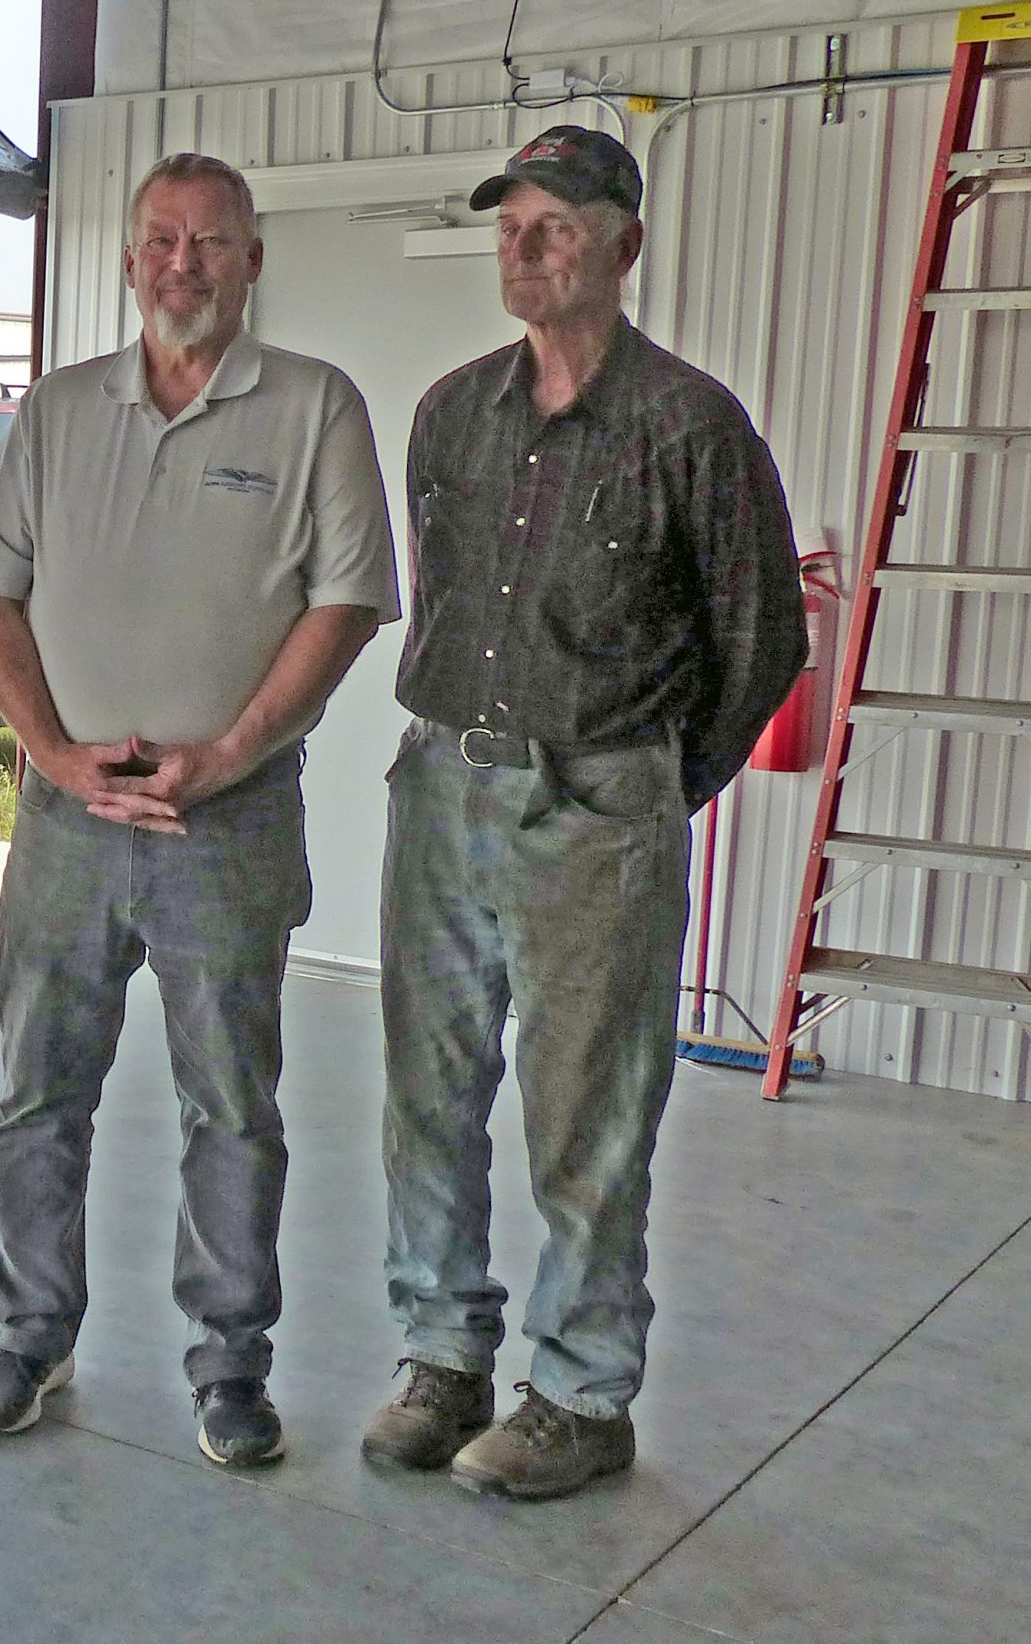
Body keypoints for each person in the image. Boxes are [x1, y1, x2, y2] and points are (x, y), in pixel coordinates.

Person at [365, 125, 804, 1500]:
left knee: (587, 1112)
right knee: (429, 1093)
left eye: (556, 224)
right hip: (445, 782)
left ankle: (580, 1393)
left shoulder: (691, 424)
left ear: (625, 243)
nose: (525, 245)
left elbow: (762, 639)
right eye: (511, 223)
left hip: (600, 798)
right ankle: (443, 1358)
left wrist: (649, 786)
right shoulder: (451, 413)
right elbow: (444, 599)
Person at [0, 153, 399, 1465]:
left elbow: (347, 602)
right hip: (68, 824)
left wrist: (232, 751)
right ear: (129, 260)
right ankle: (30, 1336)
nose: (183, 264)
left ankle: (230, 1361)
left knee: (233, 1104)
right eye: (161, 240)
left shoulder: (314, 406)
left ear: (252, 260)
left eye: (210, 242)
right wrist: (49, 754)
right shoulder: (55, 411)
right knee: (38, 1095)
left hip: (228, 822)